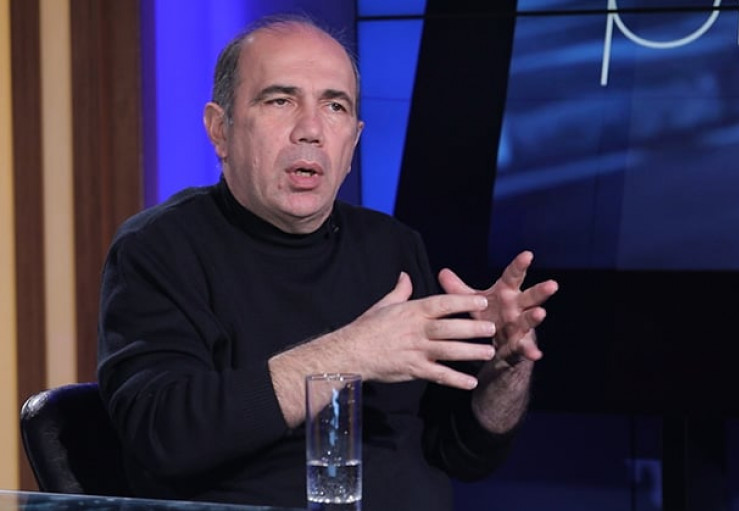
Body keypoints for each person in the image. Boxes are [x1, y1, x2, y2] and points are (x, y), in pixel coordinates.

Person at [97, 14, 558, 511]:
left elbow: (460, 454)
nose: (311, 130)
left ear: (353, 142)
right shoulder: (159, 248)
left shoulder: (392, 247)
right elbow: (163, 435)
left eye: (334, 106)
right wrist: (351, 354)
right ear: (219, 129)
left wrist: (503, 370)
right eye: (280, 100)